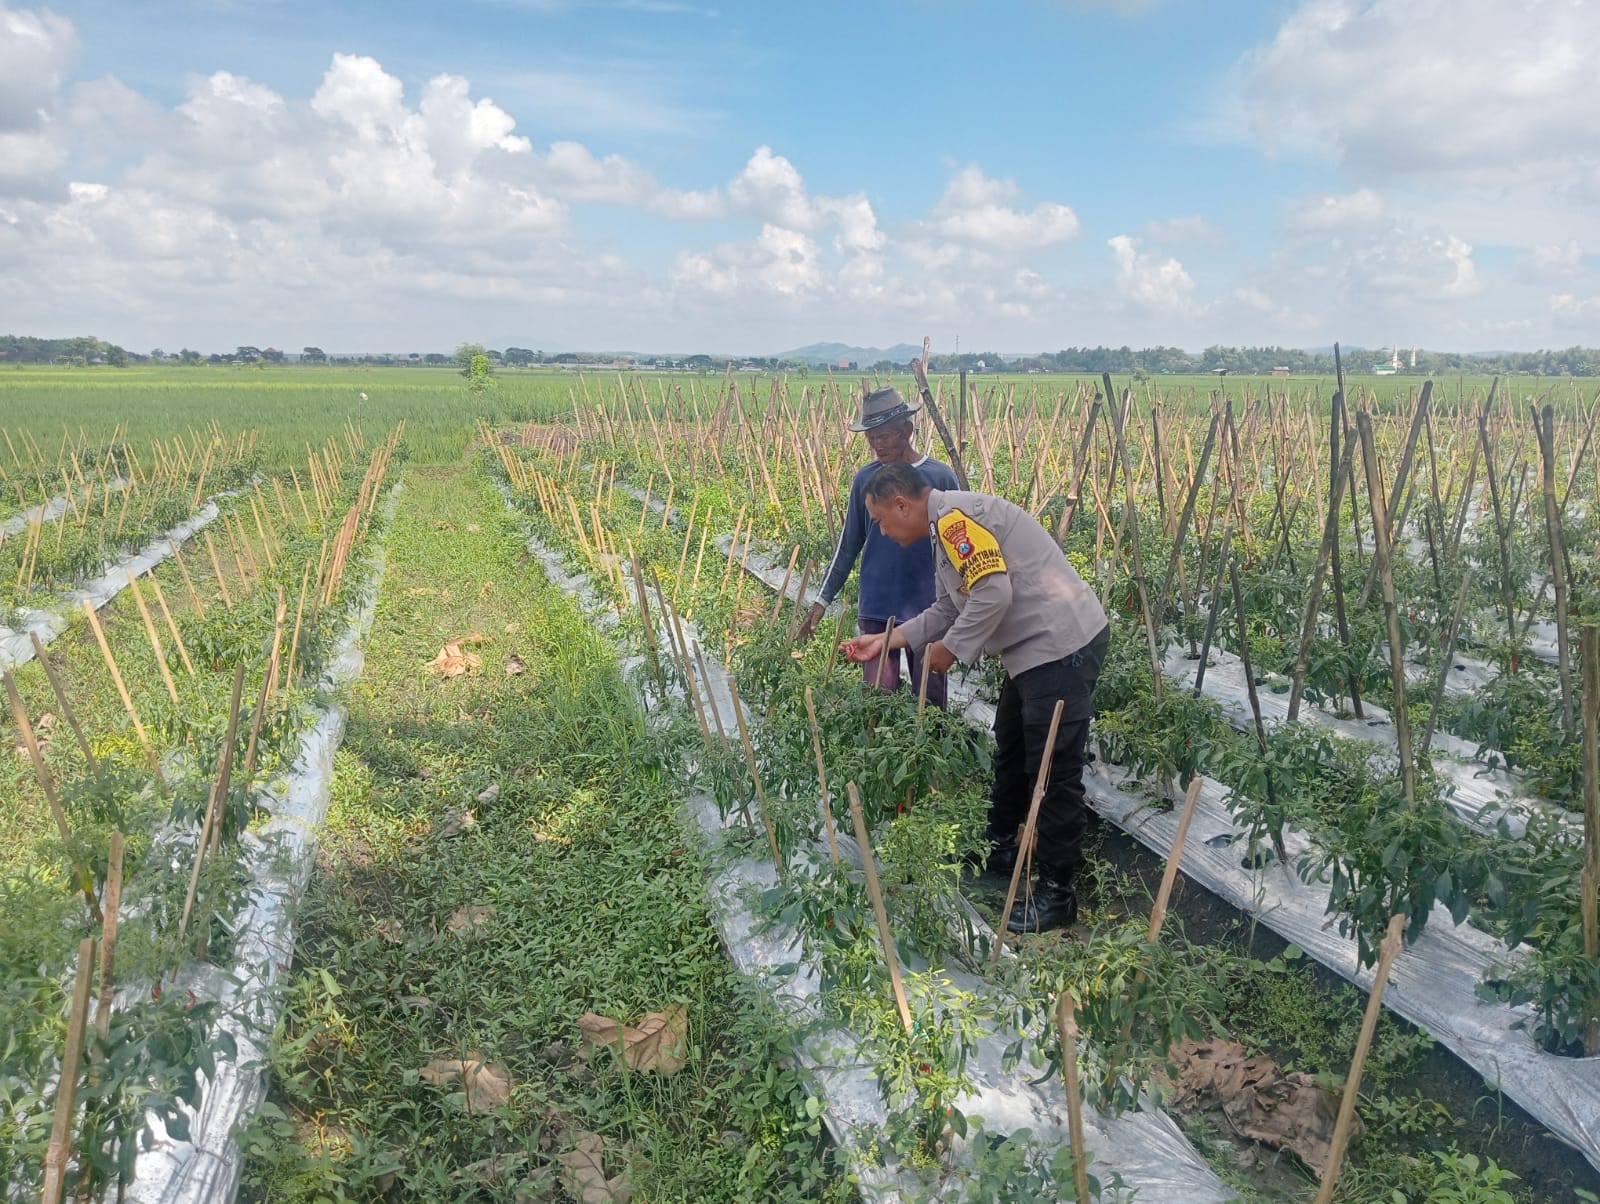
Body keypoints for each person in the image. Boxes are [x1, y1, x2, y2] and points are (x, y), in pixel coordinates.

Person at [840, 460, 1110, 933]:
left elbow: (992, 594)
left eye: (880, 521)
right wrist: (886, 641)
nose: (881, 532)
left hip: (1061, 645)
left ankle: (1057, 893)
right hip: (1032, 650)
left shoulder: (956, 523)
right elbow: (948, 607)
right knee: (1012, 746)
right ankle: (1000, 846)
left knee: (1051, 768)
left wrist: (951, 649)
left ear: (902, 505)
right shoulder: (943, 530)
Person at [795, 386, 959, 708]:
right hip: (877, 606)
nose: (877, 445)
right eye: (871, 438)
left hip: (928, 608)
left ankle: (928, 741)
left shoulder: (939, 477)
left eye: (884, 436)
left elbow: (957, 545)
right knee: (876, 702)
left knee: (930, 702)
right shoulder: (865, 480)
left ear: (907, 431)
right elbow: (848, 545)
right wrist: (821, 601)